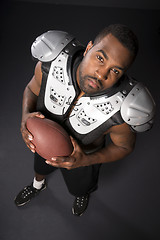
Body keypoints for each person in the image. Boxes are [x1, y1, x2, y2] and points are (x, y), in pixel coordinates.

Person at [14, 24, 155, 216]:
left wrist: (85, 160)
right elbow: (31, 89)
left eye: (115, 71)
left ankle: (81, 194)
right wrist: (25, 117)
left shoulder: (122, 108)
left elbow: (124, 147)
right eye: (100, 58)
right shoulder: (53, 62)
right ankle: (38, 185)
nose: (101, 74)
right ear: (89, 48)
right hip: (44, 140)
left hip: (83, 157)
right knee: (40, 167)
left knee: (80, 187)